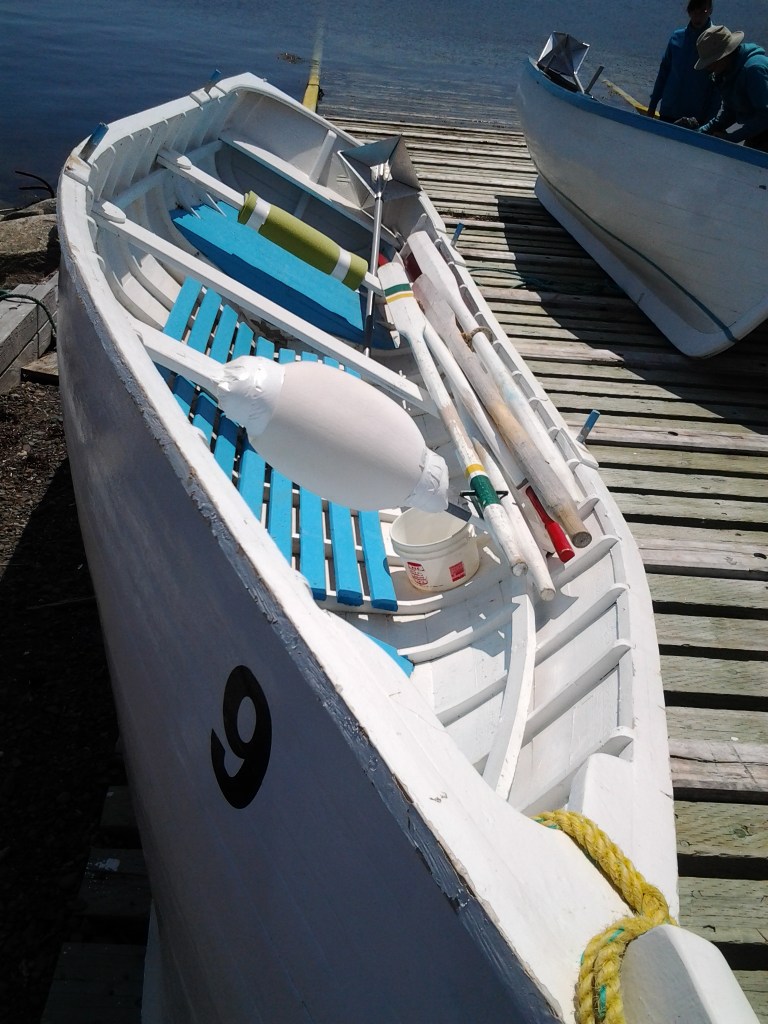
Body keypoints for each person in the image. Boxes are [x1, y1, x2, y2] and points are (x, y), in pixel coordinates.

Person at [693, 25, 768, 150]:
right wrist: (699, 133)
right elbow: (730, 112)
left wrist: (730, 139)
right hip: (759, 131)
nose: (708, 68)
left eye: (710, 62)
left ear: (725, 55)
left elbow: (765, 116)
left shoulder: (753, 70)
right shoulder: (726, 74)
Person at [647, 1, 720, 123]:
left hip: (694, 119)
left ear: (710, 10)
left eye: (703, 11)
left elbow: (718, 88)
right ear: (689, 11)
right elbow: (663, 74)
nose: (698, 15)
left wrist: (709, 123)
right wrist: (652, 105)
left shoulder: (717, 41)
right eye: (694, 10)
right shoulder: (676, 37)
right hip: (668, 111)